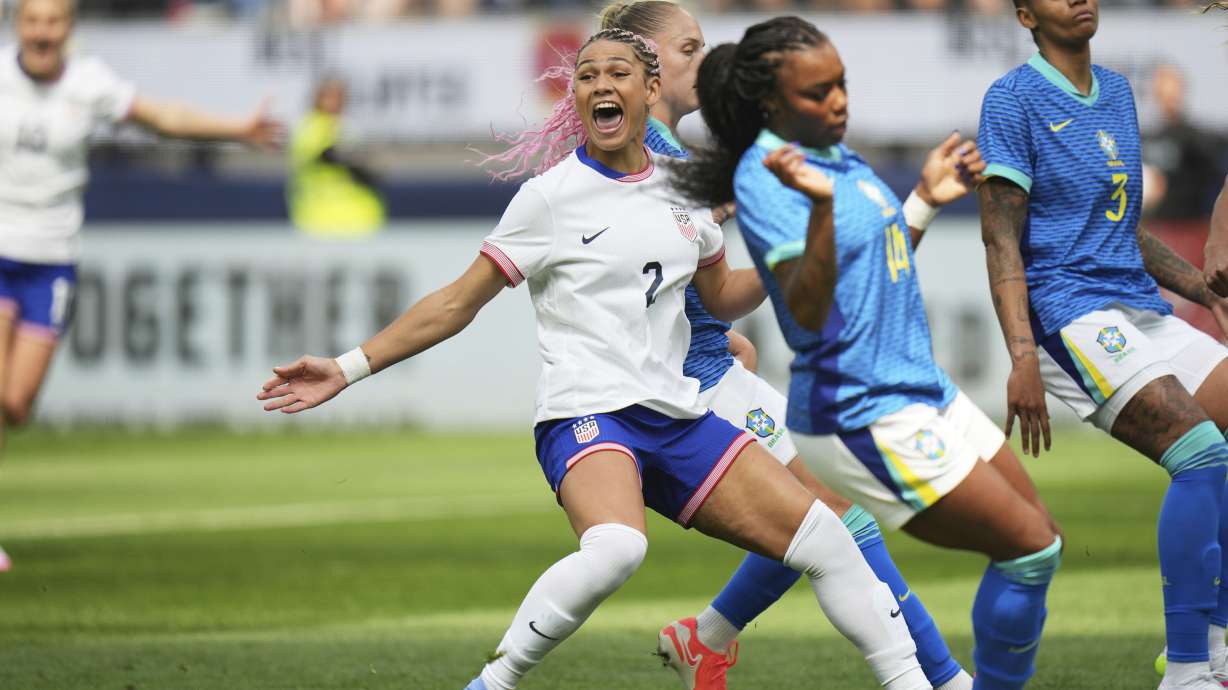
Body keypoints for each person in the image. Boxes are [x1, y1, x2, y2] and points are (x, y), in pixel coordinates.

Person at [259, 29, 930, 690]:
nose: (600, 85)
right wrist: (347, 368)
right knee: (617, 547)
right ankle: (493, 684)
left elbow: (719, 298)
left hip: (677, 415)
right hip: (587, 414)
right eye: (586, 76)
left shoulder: (687, 188)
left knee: (829, 540)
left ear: (648, 89)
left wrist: (803, 258)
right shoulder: (550, 197)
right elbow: (456, 303)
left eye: (616, 72)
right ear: (577, 98)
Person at [670, 16, 1064, 690]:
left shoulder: (838, 157)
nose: (838, 101)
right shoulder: (771, 180)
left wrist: (922, 202)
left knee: (1039, 542)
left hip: (920, 387)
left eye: (840, 84)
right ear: (771, 102)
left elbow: (873, 269)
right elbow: (807, 313)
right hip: (858, 411)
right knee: (1027, 551)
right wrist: (820, 213)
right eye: (817, 92)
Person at [597, 3, 972, 688]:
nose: (703, 62)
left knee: (809, 516)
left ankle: (707, 638)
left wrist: (717, 327)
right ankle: (943, 679)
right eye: (687, 48)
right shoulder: (651, 157)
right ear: (645, 65)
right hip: (691, 387)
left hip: (707, 365)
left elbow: (664, 280)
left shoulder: (669, 153)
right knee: (839, 516)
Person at [976, 0, 1228, 686]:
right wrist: (1023, 355)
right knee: (1201, 454)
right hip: (1068, 313)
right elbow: (1000, 236)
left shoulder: (1116, 91)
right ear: (1027, 14)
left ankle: (1219, 645)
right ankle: (1186, 670)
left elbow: (1123, 231)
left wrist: (1205, 292)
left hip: (1139, 307)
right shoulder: (1012, 100)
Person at [0, 0, 282, 572]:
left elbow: (165, 118)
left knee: (15, 402)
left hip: (52, 258)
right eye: (33, 21)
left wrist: (238, 129)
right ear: (18, 25)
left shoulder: (89, 83)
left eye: (53, 22)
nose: (42, 32)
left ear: (68, 28)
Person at [287, 77, 386, 238]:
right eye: (328, 96)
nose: (335, 102)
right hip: (321, 221)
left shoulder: (346, 127)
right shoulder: (310, 127)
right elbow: (326, 155)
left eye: (339, 97)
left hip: (358, 220)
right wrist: (352, 163)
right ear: (317, 98)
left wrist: (365, 171)